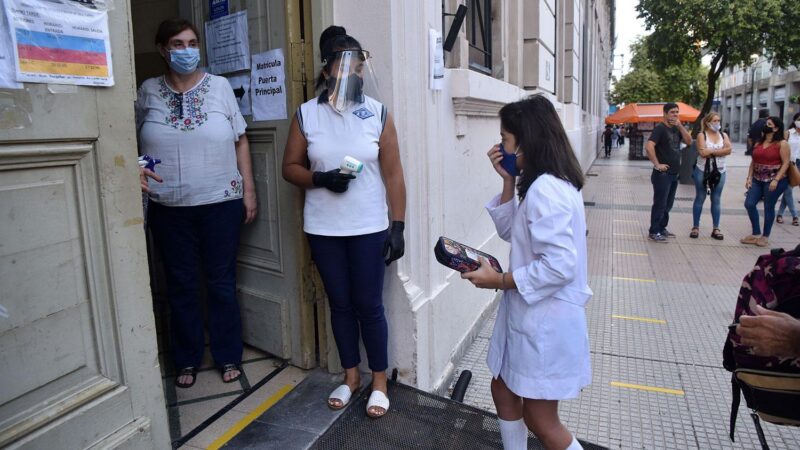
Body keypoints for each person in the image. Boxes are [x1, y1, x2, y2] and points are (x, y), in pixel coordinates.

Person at [282, 26, 406, 418]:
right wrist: (319, 179)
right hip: (324, 229)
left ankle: (380, 382)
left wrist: (397, 226)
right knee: (340, 304)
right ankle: (351, 377)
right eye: (343, 66)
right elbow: (289, 167)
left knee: (369, 305)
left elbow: (394, 176)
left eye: (358, 67)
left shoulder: (378, 114)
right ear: (327, 71)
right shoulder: (307, 115)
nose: (352, 74)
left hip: (369, 228)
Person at [462, 95, 591, 450]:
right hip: (532, 315)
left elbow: (560, 265)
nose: (500, 146)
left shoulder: (547, 190)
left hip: (545, 322)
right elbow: (516, 233)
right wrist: (507, 180)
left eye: (504, 139)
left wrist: (498, 281)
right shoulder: (542, 184)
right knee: (502, 387)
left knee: (541, 421)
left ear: (525, 141)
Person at [136, 18, 257, 388]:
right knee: (181, 284)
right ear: (162, 49)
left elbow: (240, 139)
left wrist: (249, 191)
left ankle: (227, 355)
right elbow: (131, 137)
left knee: (220, 282)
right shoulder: (148, 91)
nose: (186, 51)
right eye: (177, 44)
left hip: (220, 201)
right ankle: (186, 358)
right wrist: (137, 171)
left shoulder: (219, 87)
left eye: (191, 43)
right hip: (167, 206)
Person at [741, 116, 791, 247]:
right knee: (749, 203)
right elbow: (754, 161)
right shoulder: (758, 143)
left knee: (769, 206)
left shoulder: (782, 144)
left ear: (776, 128)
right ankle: (756, 233)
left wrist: (776, 179)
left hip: (775, 180)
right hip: (757, 179)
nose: (765, 125)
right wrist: (749, 178)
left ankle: (765, 236)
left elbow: (786, 163)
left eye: (768, 124)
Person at [645, 103, 692, 242]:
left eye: (677, 112)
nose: (675, 114)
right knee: (660, 203)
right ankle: (654, 231)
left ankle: (661, 227)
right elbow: (649, 146)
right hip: (662, 175)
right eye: (672, 112)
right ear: (665, 113)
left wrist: (680, 126)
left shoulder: (677, 129)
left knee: (668, 204)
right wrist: (657, 164)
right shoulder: (660, 128)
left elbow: (689, 141)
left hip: (674, 173)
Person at [690, 112, 731, 240]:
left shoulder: (723, 135)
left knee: (716, 198)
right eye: (714, 121)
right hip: (702, 169)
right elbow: (702, 153)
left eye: (718, 120)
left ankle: (716, 228)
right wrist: (720, 151)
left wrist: (711, 151)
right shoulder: (702, 135)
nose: (717, 123)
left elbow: (729, 150)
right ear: (707, 122)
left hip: (720, 170)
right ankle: (695, 227)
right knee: (700, 197)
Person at [776, 112, 800, 226]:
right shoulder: (788, 134)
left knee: (787, 191)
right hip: (790, 163)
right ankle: (795, 216)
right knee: (788, 190)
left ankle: (780, 214)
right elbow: (781, 148)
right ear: (795, 120)